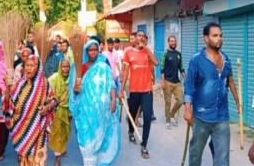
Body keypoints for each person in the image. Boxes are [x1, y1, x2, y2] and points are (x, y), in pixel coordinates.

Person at [184, 22, 240, 166]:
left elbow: (231, 80)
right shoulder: (196, 59)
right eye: (215, 35)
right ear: (206, 38)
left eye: (221, 35)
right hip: (201, 117)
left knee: (222, 159)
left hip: (222, 116)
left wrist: (238, 101)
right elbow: (189, 84)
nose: (219, 38)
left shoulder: (226, 59)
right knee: (195, 155)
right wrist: (187, 109)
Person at [71, 39, 120, 165]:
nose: (93, 52)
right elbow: (74, 91)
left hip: (102, 113)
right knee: (87, 142)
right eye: (90, 50)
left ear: (99, 50)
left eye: (95, 49)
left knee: (101, 140)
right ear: (87, 51)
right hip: (85, 112)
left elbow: (111, 84)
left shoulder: (103, 66)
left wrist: (114, 100)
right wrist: (76, 90)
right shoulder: (80, 67)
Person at [4, 55, 57, 166]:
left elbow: (55, 100)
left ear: (38, 68)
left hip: (39, 131)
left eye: (32, 65)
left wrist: (46, 108)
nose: (28, 68)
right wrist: (7, 88)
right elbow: (9, 104)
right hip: (22, 131)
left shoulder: (44, 84)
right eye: (27, 65)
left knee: (38, 162)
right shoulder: (19, 84)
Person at [120, 30, 159, 159]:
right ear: (135, 38)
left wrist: (146, 49)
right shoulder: (128, 52)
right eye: (139, 36)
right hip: (134, 90)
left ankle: (144, 145)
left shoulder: (147, 51)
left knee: (147, 117)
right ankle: (131, 131)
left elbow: (156, 63)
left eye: (143, 36)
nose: (141, 38)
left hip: (147, 90)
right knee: (132, 113)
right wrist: (121, 90)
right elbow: (125, 72)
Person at [48, 60, 72, 166]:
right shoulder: (54, 78)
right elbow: (46, 87)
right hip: (56, 110)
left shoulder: (72, 79)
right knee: (57, 133)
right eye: (63, 67)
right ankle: (57, 157)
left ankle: (62, 148)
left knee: (65, 132)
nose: (65, 69)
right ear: (60, 67)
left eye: (67, 67)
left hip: (69, 111)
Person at [161, 36, 186, 129]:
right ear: (168, 42)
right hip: (167, 81)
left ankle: (171, 114)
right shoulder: (165, 54)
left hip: (177, 82)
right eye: (171, 41)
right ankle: (168, 120)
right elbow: (162, 67)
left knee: (181, 100)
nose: (173, 42)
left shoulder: (179, 54)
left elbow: (181, 67)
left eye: (174, 41)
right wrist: (162, 81)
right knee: (168, 102)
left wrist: (186, 77)